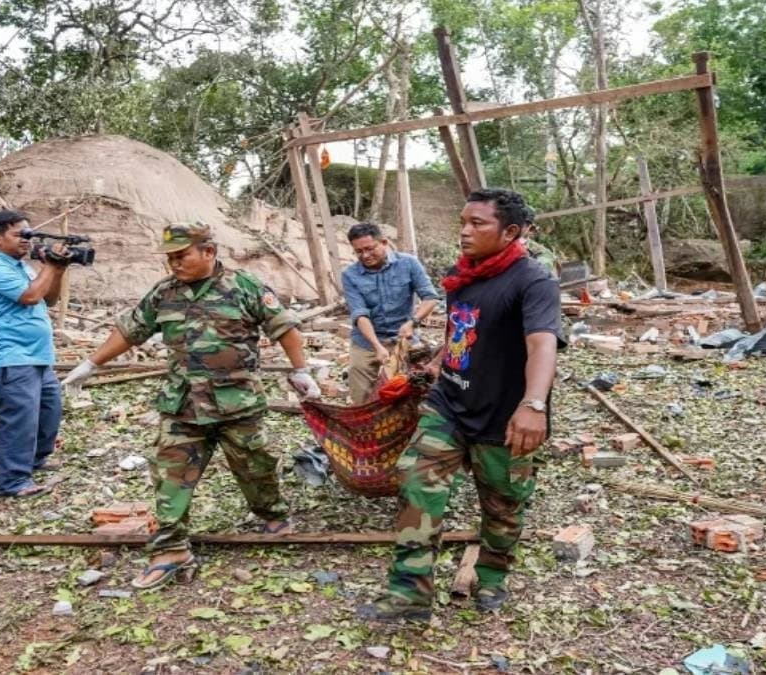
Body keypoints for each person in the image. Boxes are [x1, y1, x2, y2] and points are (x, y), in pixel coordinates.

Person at [61, 222, 321, 590]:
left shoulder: (244, 287)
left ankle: (273, 516)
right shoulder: (164, 293)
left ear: (209, 252)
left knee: (255, 466)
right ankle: (170, 549)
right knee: (169, 473)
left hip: (238, 403)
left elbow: (283, 328)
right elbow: (130, 330)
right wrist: (90, 364)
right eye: (170, 257)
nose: (174, 264)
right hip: (182, 404)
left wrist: (301, 371)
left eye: (181, 255)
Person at [357, 188, 562, 623]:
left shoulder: (533, 281)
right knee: (415, 482)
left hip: (505, 417)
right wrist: (434, 364)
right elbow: (460, 330)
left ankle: (492, 576)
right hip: (448, 404)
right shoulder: (463, 275)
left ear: (510, 232)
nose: (465, 232)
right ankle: (409, 596)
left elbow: (543, 342)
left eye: (477, 224)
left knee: (502, 506)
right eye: (463, 222)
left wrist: (534, 405)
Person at [0, 210, 69, 499]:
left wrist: (58, 269)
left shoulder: (24, 269)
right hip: (10, 358)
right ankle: (12, 481)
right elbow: (30, 297)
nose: (26, 241)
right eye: (19, 235)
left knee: (48, 412)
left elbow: (49, 298)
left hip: (38, 357)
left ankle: (35, 462)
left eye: (29, 235)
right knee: (19, 420)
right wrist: (50, 266)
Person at [341, 222, 440, 404]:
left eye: (370, 249)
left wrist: (413, 322)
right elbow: (360, 315)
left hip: (404, 338)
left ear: (384, 242)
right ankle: (368, 428)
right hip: (367, 341)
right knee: (361, 394)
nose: (365, 255)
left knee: (411, 389)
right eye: (359, 252)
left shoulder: (408, 263)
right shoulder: (350, 275)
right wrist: (377, 346)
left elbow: (430, 298)